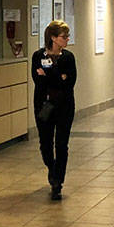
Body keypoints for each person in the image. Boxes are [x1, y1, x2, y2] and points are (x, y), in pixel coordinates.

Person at [32, 19, 77, 200]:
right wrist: (59, 76)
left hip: (65, 105)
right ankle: (52, 168)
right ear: (53, 38)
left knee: (61, 144)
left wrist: (49, 74)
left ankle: (58, 182)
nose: (67, 39)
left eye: (67, 36)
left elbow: (69, 82)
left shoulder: (68, 57)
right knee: (45, 143)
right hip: (45, 105)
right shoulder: (38, 56)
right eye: (63, 36)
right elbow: (39, 81)